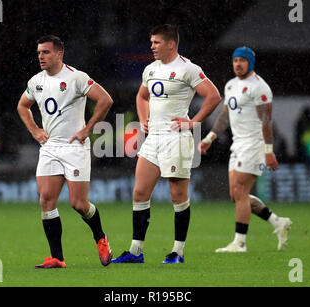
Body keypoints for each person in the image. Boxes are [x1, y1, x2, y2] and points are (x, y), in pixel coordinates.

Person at [111, 24, 221, 264]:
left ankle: (177, 252)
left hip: (176, 138)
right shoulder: (150, 69)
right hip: (154, 139)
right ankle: (135, 251)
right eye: (151, 42)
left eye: (156, 42)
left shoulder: (188, 69)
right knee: (139, 192)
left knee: (177, 195)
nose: (152, 46)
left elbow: (213, 96)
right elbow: (141, 96)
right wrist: (142, 120)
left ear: (171, 44)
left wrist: (193, 122)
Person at [17, 35, 114, 268]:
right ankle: (57, 257)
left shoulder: (76, 77)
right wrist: (34, 130)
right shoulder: (36, 81)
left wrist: (88, 129)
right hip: (50, 147)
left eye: (46, 52)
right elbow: (22, 105)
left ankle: (101, 238)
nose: (41, 56)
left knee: (78, 204)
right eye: (39, 52)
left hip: (74, 146)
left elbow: (105, 100)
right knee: (46, 200)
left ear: (59, 54)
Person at [199, 47, 292, 252]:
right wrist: (209, 137)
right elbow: (225, 115)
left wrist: (269, 150)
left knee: (240, 191)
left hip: (254, 144)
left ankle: (240, 243)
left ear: (250, 63)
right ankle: (278, 222)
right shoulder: (231, 85)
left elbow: (266, 121)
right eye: (235, 61)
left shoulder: (259, 87)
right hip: (237, 144)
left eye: (242, 60)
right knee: (236, 195)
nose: (238, 64)